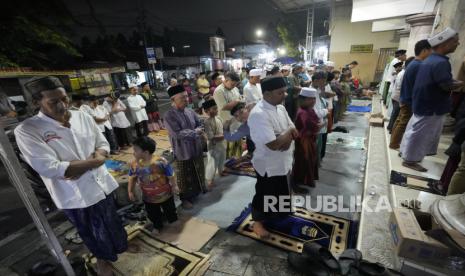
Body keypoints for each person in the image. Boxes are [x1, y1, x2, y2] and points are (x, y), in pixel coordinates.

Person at [15, 76, 129, 276]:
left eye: (64, 99)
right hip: (76, 196)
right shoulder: (28, 130)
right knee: (92, 232)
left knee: (112, 221)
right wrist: (94, 161)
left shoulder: (80, 116)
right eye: (53, 102)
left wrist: (82, 164)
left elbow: (102, 144)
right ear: (36, 103)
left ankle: (119, 250)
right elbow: (51, 168)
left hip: (102, 184)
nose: (62, 105)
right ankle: (103, 260)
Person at [401, 27, 463, 172]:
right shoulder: (440, 62)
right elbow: (446, 84)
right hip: (431, 106)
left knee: (415, 131)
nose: (457, 44)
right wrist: (460, 83)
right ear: (445, 44)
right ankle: (410, 160)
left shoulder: (430, 60)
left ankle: (406, 154)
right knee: (420, 134)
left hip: (424, 103)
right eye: (455, 42)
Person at [248, 76, 298, 238]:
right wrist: (287, 135)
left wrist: (286, 136)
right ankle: (257, 223)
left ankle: (277, 215)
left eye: (284, 91)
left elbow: (293, 128)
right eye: (280, 92)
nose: (285, 95)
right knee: (264, 193)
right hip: (268, 164)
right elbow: (273, 145)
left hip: (284, 159)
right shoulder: (259, 114)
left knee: (281, 189)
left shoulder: (280, 108)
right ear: (267, 93)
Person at [164, 85, 206, 209]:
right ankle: (185, 199)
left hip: (196, 147)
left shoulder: (190, 111)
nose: (186, 100)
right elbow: (177, 134)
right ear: (173, 100)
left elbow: (200, 124)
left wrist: (199, 130)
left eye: (187, 96)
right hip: (182, 150)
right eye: (182, 98)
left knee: (197, 169)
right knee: (184, 175)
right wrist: (195, 132)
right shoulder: (169, 116)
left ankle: (198, 191)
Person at [128, 136, 179, 234]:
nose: (133, 152)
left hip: (166, 194)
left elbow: (170, 175)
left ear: (146, 152)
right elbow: (132, 177)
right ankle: (157, 225)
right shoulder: (135, 165)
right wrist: (130, 191)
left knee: (170, 209)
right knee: (153, 214)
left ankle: (173, 220)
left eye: (135, 150)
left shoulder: (161, 161)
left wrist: (174, 186)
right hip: (148, 197)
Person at [389, 40, 432, 149]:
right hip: (407, 99)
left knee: (399, 119)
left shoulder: (409, 68)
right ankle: (394, 143)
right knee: (402, 121)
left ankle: (393, 140)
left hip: (403, 98)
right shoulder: (416, 66)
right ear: (424, 50)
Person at [293, 87, 321, 191]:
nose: (313, 101)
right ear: (303, 100)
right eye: (310, 99)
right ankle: (301, 181)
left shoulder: (309, 110)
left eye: (314, 99)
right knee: (304, 160)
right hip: (303, 140)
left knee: (310, 159)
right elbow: (311, 125)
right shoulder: (303, 112)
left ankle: (306, 179)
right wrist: (320, 126)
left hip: (309, 139)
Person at [213, 71, 243, 158]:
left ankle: (237, 163)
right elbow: (224, 107)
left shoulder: (235, 89)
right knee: (228, 149)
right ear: (226, 80)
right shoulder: (219, 91)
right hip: (226, 123)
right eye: (232, 84)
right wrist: (237, 101)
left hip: (236, 122)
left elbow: (239, 98)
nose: (234, 87)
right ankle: (228, 166)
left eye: (235, 85)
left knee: (237, 147)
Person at [202, 99, 226, 189]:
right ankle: (209, 180)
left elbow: (223, 129)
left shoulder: (219, 118)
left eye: (216, 108)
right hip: (213, 145)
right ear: (207, 111)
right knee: (212, 162)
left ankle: (221, 171)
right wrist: (224, 136)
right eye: (214, 109)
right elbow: (210, 137)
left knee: (222, 158)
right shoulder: (207, 122)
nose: (216, 110)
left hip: (221, 143)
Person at [386, 61, 405, 132]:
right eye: (399, 67)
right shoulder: (399, 74)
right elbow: (399, 87)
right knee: (395, 113)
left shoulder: (398, 74)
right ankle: (391, 128)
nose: (400, 68)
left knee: (394, 112)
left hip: (395, 95)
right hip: (397, 96)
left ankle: (390, 127)